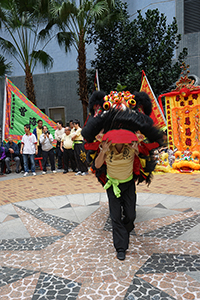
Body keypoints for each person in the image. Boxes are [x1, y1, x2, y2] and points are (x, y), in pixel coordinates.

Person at [82, 90, 163, 260]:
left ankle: (125, 229)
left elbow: (143, 160)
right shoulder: (106, 146)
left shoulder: (132, 145)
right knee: (115, 216)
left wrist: (137, 151)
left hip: (128, 184)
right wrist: (103, 152)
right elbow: (97, 166)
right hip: (113, 185)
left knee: (130, 215)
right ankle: (120, 247)